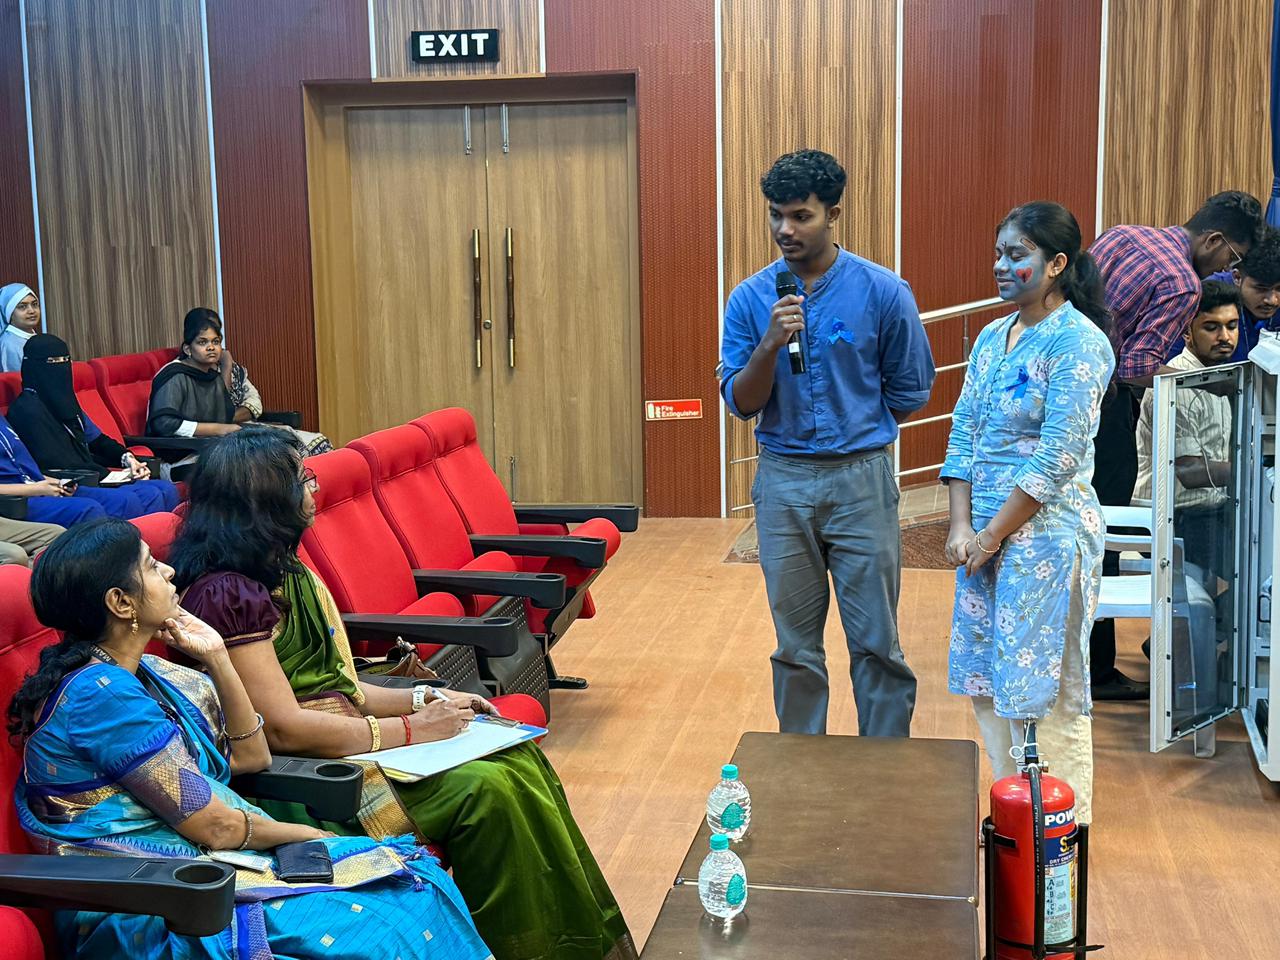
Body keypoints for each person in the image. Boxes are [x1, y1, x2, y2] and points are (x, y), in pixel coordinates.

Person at [169, 427, 635, 960]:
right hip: (304, 779)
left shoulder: (285, 570)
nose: (313, 490)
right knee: (486, 790)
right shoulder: (227, 593)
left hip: (344, 741)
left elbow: (343, 690)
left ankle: (580, 946)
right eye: (301, 480)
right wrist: (413, 730)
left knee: (519, 757)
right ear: (263, 500)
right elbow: (283, 729)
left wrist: (428, 702)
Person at [9, 518, 493, 960]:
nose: (170, 571)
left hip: (196, 874)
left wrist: (218, 656)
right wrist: (310, 835)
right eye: (152, 566)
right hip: (150, 902)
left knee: (412, 885)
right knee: (395, 910)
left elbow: (252, 755)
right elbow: (216, 828)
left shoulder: (147, 672)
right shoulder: (103, 695)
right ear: (121, 602)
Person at [718, 149, 935, 737]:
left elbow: (910, 390)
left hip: (861, 480)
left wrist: (854, 425)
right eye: (776, 215)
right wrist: (769, 344)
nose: (785, 229)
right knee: (795, 647)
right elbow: (741, 401)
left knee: (877, 643)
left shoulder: (883, 291)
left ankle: (884, 763)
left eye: (801, 216)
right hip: (783, 482)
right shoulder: (750, 299)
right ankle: (800, 764)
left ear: (832, 214)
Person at [942, 201, 1115, 825]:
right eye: (999, 253)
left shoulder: (1080, 343)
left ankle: (1061, 830)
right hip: (983, 541)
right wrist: (961, 526)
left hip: (1047, 538)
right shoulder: (993, 336)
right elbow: (963, 429)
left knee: (1048, 688)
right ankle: (1014, 815)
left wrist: (989, 534)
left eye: (1017, 255)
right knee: (989, 681)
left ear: (1057, 264)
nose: (1000, 266)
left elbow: (1058, 456)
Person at [1086, 190, 1263, 700]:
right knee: (1101, 539)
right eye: (1231, 259)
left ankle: (1075, 661)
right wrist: (1204, 384)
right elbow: (1136, 367)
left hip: (1065, 391)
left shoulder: (1122, 234)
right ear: (1213, 239)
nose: (1226, 271)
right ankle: (1098, 673)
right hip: (1104, 409)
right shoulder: (1183, 282)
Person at [1136, 280, 1240, 580]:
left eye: (1232, 326)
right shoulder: (1179, 382)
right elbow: (1191, 472)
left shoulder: (1220, 376)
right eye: (1211, 327)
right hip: (1172, 517)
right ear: (1186, 332)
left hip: (1207, 511)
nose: (1225, 337)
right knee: (1253, 563)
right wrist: (1253, 469)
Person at [7, 334, 179, 513]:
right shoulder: (26, 411)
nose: (62, 367)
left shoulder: (66, 403)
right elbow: (57, 461)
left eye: (66, 360)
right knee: (135, 498)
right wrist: (111, 475)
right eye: (53, 361)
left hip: (94, 473)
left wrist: (128, 459)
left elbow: (97, 440)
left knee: (166, 489)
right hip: (70, 481)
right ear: (34, 367)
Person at [148, 308, 331, 456]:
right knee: (263, 458)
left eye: (216, 341)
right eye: (202, 342)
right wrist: (217, 429)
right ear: (188, 349)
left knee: (285, 446)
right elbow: (164, 424)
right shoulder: (175, 375)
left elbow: (224, 414)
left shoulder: (212, 375)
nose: (211, 347)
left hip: (216, 446)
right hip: (182, 453)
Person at [1, 412, 165, 526]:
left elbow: (25, 469)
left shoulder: (3, 421)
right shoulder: (25, 410)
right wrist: (37, 488)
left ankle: (154, 558)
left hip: (45, 485)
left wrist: (58, 482)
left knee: (149, 493)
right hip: (17, 500)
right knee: (89, 509)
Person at [0, 283, 40, 372]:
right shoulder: (8, 344)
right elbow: (15, 378)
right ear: (9, 313)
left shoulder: (34, 337)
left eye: (34, 304)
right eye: (22, 307)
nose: (31, 311)